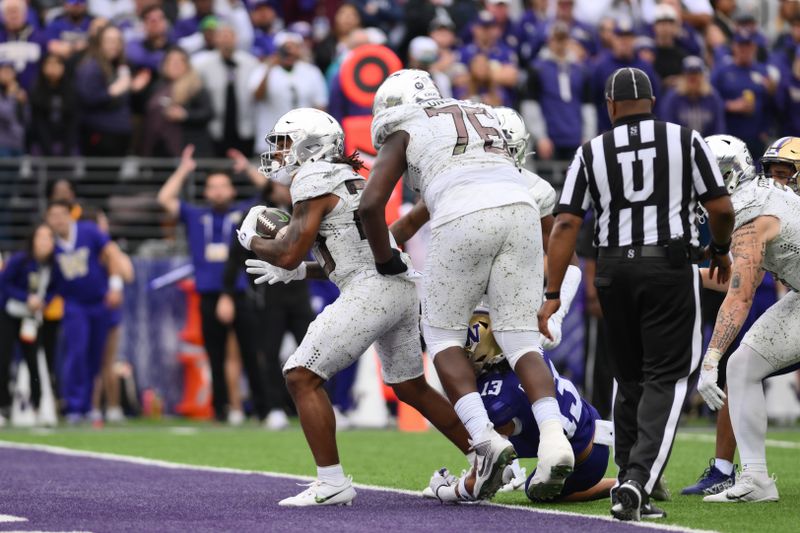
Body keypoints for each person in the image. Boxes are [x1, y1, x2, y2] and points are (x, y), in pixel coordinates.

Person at [236, 108, 472, 506]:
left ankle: (331, 482)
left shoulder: (313, 176)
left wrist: (253, 240)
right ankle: (484, 454)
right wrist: (299, 272)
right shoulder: (347, 176)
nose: (278, 153)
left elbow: (289, 251)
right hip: (396, 287)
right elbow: (344, 254)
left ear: (311, 144)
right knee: (410, 386)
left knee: (300, 374)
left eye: (284, 143)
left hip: (373, 289)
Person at [360, 69, 575, 502]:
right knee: (521, 340)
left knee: (441, 337)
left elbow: (370, 205)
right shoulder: (479, 110)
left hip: (464, 217)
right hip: (518, 210)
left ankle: (485, 439)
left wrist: (384, 261)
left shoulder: (406, 126)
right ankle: (555, 441)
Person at [540, 67, 735, 521]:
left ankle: (629, 469)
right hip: (668, 265)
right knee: (664, 377)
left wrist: (552, 291)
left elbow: (567, 222)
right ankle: (637, 481)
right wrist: (720, 249)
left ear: (610, 106)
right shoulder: (685, 140)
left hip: (612, 269)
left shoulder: (592, 150)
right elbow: (720, 207)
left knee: (626, 377)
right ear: (653, 101)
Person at [681, 135, 799, 497]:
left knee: (733, 363)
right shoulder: (762, 201)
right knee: (743, 365)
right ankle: (756, 478)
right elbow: (738, 278)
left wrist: (711, 357)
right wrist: (681, 277)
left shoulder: (751, 208)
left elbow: (741, 294)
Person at [426, 308, 615, 503]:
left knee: (533, 489)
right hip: (592, 426)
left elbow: (492, 463)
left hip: (583, 460)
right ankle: (618, 485)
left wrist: (449, 490)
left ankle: (613, 484)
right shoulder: (530, 353)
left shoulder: (494, 395)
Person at [157, 145, 266, 424]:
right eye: (212, 187)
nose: (218, 191)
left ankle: (263, 410)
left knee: (251, 352)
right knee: (214, 356)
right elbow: (164, 198)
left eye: (223, 186)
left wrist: (247, 169)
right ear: (206, 192)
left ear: (231, 190)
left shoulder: (244, 213)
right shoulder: (196, 216)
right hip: (207, 294)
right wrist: (183, 170)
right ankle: (221, 411)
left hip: (241, 292)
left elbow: (270, 193)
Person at [45, 201, 126, 423]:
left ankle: (90, 405)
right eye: (54, 216)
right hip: (74, 303)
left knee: (95, 355)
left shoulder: (88, 231)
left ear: (70, 215)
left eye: (62, 214)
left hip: (99, 301)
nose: (59, 220)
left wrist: (115, 285)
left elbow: (111, 252)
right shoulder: (50, 243)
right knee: (76, 352)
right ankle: (74, 405)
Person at [0, 224, 63, 427]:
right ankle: (3, 407)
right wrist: (25, 297)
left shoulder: (53, 264)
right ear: (33, 240)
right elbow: (4, 283)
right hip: (10, 314)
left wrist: (44, 302)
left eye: (49, 238)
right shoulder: (20, 260)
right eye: (41, 238)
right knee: (3, 359)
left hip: (31, 319)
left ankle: (37, 408)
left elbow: (56, 287)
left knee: (34, 361)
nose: (45, 242)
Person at [74, 24, 149, 156]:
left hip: (120, 133)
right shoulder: (91, 67)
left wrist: (134, 89)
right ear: (99, 43)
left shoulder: (121, 65)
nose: (114, 45)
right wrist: (112, 91)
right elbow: (86, 98)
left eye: (117, 40)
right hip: (99, 133)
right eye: (109, 40)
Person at [525, 21, 595, 163]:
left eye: (563, 39)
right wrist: (541, 137)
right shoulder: (538, 69)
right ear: (549, 40)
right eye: (557, 39)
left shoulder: (580, 70)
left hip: (575, 138)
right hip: (550, 140)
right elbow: (530, 104)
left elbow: (587, 105)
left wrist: (587, 136)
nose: (560, 43)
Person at [249, 31, 328, 155]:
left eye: (294, 48)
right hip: (272, 142)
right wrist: (269, 68)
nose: (290, 53)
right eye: (285, 49)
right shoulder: (263, 70)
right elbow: (257, 97)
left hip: (304, 144)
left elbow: (321, 107)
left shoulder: (311, 72)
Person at [193, 22, 259, 157]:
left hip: (244, 127)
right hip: (215, 129)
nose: (226, 39)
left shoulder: (251, 63)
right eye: (222, 35)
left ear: (236, 38)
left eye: (230, 35)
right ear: (215, 38)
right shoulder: (203, 64)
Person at [710, 28, 775, 159]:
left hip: (755, 137)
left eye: (748, 46)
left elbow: (771, 105)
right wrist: (729, 105)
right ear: (734, 47)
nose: (744, 50)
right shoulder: (722, 71)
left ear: (754, 47)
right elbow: (709, 101)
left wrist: (765, 130)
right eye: (741, 45)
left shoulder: (762, 72)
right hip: (729, 135)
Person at [141, 46, 214, 157]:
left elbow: (208, 113)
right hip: (158, 148)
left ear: (187, 65)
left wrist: (185, 115)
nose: (175, 65)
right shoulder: (157, 86)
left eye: (179, 61)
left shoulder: (195, 87)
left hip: (188, 147)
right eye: (171, 61)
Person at [658, 56, 725, 138]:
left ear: (702, 76)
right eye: (690, 74)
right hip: (680, 146)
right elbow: (667, 125)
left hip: (707, 146)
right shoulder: (672, 98)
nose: (693, 78)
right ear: (683, 76)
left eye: (696, 74)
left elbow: (718, 128)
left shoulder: (712, 97)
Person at [30, 53, 77, 156]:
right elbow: (37, 121)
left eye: (57, 64)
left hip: (66, 141)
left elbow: (73, 120)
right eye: (49, 64)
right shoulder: (36, 89)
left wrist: (67, 148)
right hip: (41, 143)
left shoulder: (71, 89)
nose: (53, 67)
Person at [0, 0, 48, 91]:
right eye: (9, 12)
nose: (13, 15)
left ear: (25, 14)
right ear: (2, 16)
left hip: (35, 95)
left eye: (16, 11)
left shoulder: (39, 38)